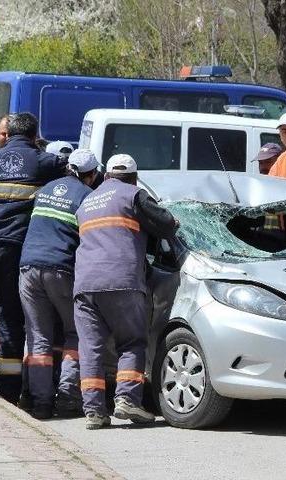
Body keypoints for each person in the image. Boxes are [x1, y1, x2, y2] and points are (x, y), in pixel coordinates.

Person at [0, 112, 67, 402]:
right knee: (10, 313)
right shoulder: (48, 163)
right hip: (16, 247)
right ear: (35, 136)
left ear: (7, 134)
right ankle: (8, 384)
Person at [74, 153, 179, 430]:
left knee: (91, 350)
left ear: (106, 176)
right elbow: (166, 224)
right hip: (122, 280)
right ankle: (127, 400)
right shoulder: (134, 195)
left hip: (84, 284)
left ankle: (94, 412)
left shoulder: (87, 202)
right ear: (134, 177)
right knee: (132, 342)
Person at [19, 149, 100, 419]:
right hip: (61, 270)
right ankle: (66, 397)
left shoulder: (46, 189)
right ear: (90, 175)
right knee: (74, 333)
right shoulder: (87, 197)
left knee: (38, 338)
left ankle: (40, 403)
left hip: (28, 267)